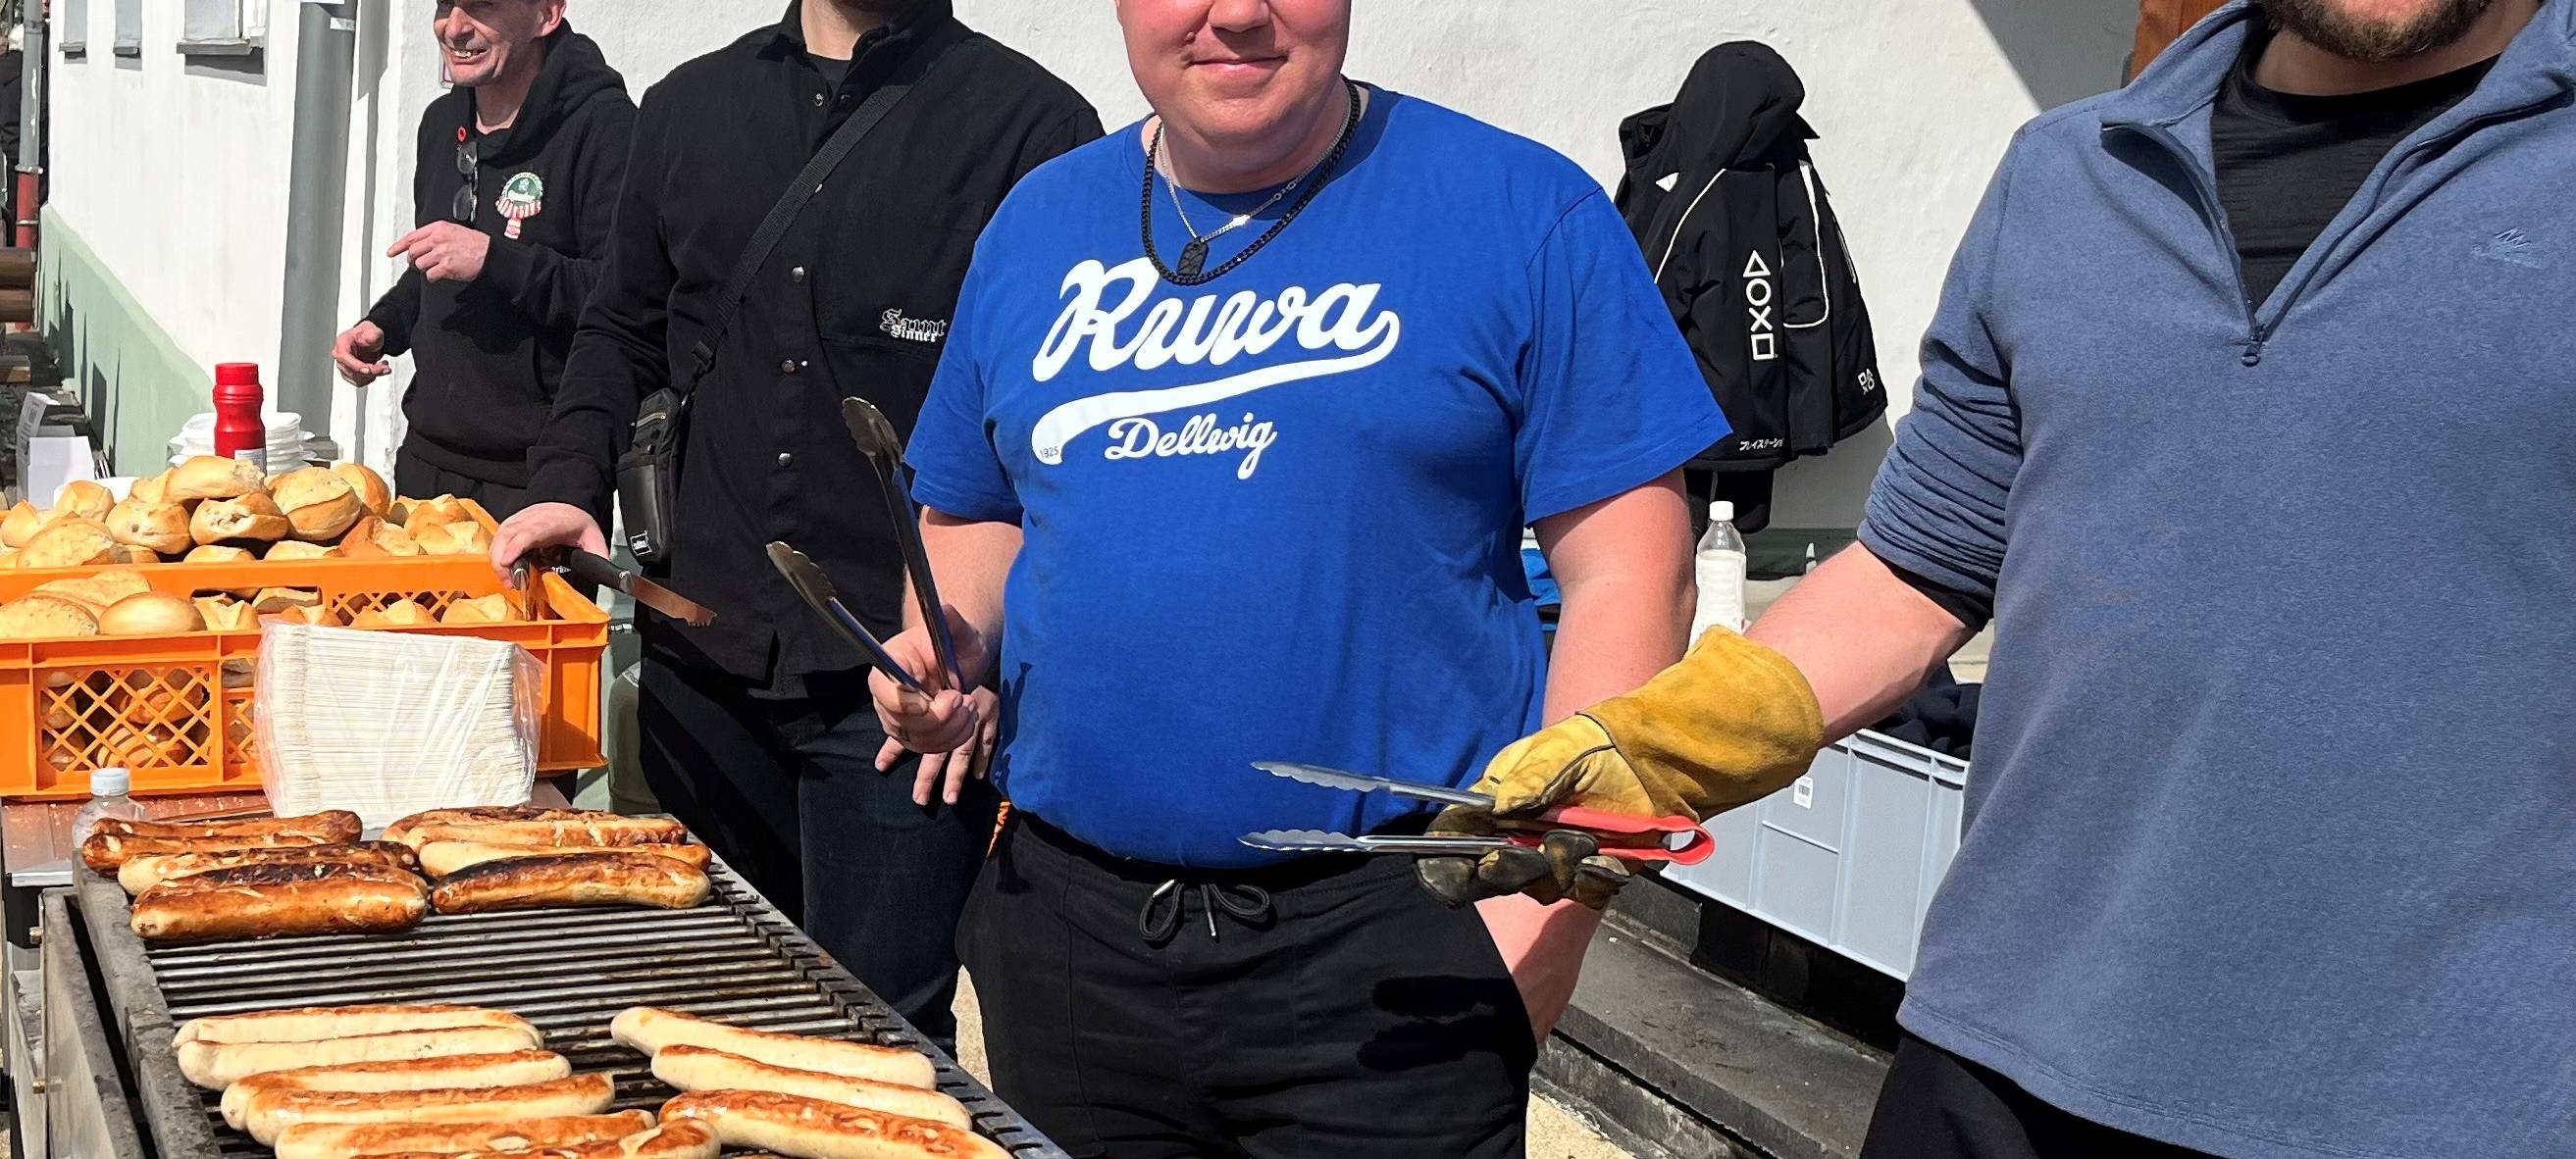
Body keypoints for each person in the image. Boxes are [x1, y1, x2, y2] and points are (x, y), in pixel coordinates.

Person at [1443, 1, 2575, 1157]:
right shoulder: (2068, 174)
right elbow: (1919, 564)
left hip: (2460, 1095)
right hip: (2005, 1049)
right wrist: (1656, 754)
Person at [868, 1, 1725, 1153]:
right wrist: (944, 637)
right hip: (1068, 941)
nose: (1236, 14)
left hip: (1398, 941)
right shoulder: (1039, 222)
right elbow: (977, 507)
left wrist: (1548, 910)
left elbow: (1635, 575)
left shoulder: (1521, 210)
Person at [488, 0, 1098, 1052]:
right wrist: (564, 479)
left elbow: (1053, 426)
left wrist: (995, 646)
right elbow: (622, 329)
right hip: (698, 647)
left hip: (905, 681)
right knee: (704, 1007)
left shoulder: (1032, 128)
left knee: (877, 1032)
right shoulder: (689, 106)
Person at [334, 0, 633, 518]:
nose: (454, 27)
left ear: (547, 14)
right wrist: (383, 326)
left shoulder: (606, 127)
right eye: (443, 5)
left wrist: (495, 259)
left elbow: (620, 299)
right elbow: (439, 262)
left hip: (541, 475)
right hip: (427, 460)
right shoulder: (441, 120)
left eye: (482, 6)